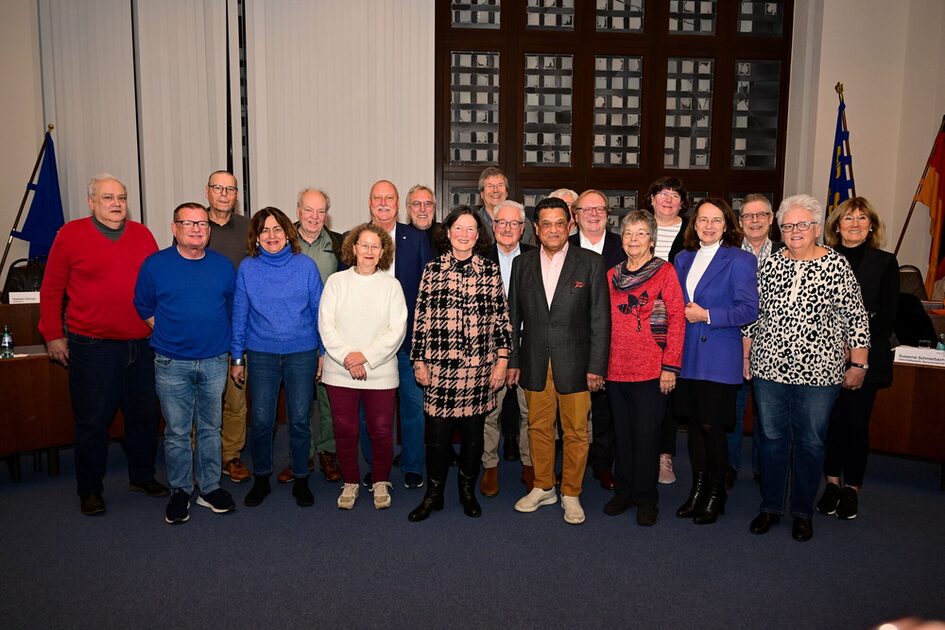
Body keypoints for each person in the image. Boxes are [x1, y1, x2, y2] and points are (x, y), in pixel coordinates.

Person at [39, 173, 167, 515]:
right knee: (93, 421)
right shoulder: (70, 235)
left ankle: (142, 475)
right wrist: (52, 333)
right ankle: (90, 489)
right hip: (92, 347)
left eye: (122, 198)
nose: (116, 204)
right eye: (108, 198)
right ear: (92, 202)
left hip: (141, 345)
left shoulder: (142, 234)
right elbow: (51, 288)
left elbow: (158, 283)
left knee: (144, 416)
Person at [745, 194, 870, 542]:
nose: (795, 231)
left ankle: (801, 512)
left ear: (816, 227)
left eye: (802, 224)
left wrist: (859, 361)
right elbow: (754, 318)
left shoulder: (837, 265)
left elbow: (856, 318)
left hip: (819, 374)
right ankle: (770, 506)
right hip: (769, 369)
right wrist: (746, 356)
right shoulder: (769, 264)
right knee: (771, 440)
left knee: (811, 443)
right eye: (787, 225)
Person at [509, 197, 610, 525]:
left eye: (559, 223)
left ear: (570, 225)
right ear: (536, 229)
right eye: (546, 224)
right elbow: (513, 316)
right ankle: (542, 486)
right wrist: (512, 360)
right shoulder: (522, 265)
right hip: (534, 361)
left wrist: (597, 366)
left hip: (578, 365)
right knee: (537, 427)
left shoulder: (591, 262)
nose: (553, 230)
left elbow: (600, 320)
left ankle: (570, 491)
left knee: (577, 431)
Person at [134, 203, 237, 524]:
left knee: (210, 428)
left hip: (214, 360)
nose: (196, 229)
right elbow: (143, 305)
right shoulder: (155, 265)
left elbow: (231, 309)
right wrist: (169, 331)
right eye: (188, 223)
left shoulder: (222, 266)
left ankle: (209, 487)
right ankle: (180, 490)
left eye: (203, 224)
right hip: (171, 362)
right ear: (174, 227)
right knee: (178, 431)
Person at [408, 206, 512, 522]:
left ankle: (467, 492)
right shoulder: (432, 269)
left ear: (478, 235)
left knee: (473, 436)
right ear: (449, 232)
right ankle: (434, 494)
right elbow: (421, 318)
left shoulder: (490, 271)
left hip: (479, 367)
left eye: (470, 229)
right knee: (437, 437)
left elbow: (501, 319)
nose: (464, 234)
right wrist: (418, 360)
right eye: (458, 228)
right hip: (439, 368)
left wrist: (502, 361)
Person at [230, 207, 323, 508]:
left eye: (277, 229)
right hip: (262, 353)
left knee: (298, 420)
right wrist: (237, 358)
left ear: (288, 233)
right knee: (261, 420)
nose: (272, 236)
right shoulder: (247, 268)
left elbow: (319, 312)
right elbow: (240, 313)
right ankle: (261, 479)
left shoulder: (305, 266)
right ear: (256, 238)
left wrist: (322, 353)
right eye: (264, 231)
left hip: (301, 351)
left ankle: (300, 478)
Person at [673, 198, 759, 525]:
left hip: (719, 355)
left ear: (727, 225)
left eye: (716, 220)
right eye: (703, 220)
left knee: (711, 426)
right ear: (693, 225)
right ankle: (696, 490)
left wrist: (707, 314)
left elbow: (749, 309)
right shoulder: (683, 258)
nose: (709, 226)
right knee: (694, 425)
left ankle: (715, 492)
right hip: (688, 354)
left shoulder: (740, 260)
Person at [817, 196, 899, 520]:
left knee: (855, 424)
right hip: (824, 357)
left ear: (871, 226)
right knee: (831, 424)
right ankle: (832, 484)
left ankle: (852, 488)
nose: (855, 224)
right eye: (848, 219)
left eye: (862, 219)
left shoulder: (885, 262)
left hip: (866, 359)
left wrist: (854, 344)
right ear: (837, 226)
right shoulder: (823, 259)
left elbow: (888, 315)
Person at [603, 210, 685, 526]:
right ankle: (623, 492)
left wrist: (670, 367)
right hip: (615, 369)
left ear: (651, 239)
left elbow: (677, 319)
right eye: (628, 233)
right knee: (622, 435)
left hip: (652, 371)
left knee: (646, 436)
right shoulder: (611, 275)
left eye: (640, 233)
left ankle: (646, 498)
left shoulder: (664, 273)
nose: (633, 239)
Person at [319, 223, 407, 510]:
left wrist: (365, 357)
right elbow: (326, 326)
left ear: (383, 251)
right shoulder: (336, 282)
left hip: (379, 372)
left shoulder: (391, 285)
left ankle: (381, 480)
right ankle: (351, 482)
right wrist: (348, 357)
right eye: (364, 245)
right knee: (344, 429)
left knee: (381, 430)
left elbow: (397, 330)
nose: (369, 251)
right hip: (339, 370)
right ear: (353, 248)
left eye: (375, 246)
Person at [360, 180, 432, 490]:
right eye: (378, 198)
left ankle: (413, 465)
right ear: (370, 202)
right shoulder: (358, 238)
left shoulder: (415, 238)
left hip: (408, 341)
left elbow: (428, 292)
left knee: (413, 407)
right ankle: (377, 466)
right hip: (368, 343)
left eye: (390, 198)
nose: (384, 203)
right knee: (372, 413)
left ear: (398, 202)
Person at [274, 187, 343, 485]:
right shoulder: (282, 244)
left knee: (330, 399)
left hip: (332, 334)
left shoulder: (340, 244)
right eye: (308, 210)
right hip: (296, 334)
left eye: (320, 211)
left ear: (327, 214)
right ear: (298, 211)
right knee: (298, 402)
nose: (315, 217)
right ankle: (301, 456)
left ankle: (328, 452)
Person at [726, 194, 784, 488]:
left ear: (772, 219)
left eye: (762, 215)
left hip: (773, 349)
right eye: (748, 216)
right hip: (734, 345)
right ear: (740, 222)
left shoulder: (788, 253)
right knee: (732, 413)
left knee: (767, 417)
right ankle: (730, 466)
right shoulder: (728, 254)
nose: (755, 220)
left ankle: (764, 469)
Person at [569, 189, 624, 491]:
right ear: (575, 215)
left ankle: (603, 465)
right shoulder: (563, 245)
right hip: (572, 342)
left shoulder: (622, 246)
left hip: (613, 340)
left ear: (607, 213)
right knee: (571, 408)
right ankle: (569, 465)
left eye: (599, 208)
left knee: (605, 408)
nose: (593, 214)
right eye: (586, 209)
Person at [481, 200, 535, 497]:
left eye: (513, 223)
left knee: (531, 411)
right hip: (489, 346)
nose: (507, 228)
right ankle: (489, 465)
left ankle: (530, 465)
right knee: (490, 409)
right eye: (501, 223)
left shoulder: (536, 257)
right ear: (493, 226)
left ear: (523, 228)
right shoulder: (480, 258)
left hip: (530, 344)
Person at [204, 170, 252, 483]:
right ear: (207, 191)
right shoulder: (194, 224)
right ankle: (203, 456)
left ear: (237, 195)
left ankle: (230, 455)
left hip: (240, 328)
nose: (224, 194)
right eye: (218, 188)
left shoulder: (248, 228)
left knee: (236, 400)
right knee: (206, 399)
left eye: (230, 189)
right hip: (204, 328)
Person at [644, 176, 690, 484]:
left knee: (668, 390)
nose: (668, 199)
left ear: (682, 202)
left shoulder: (691, 232)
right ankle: (640, 451)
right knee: (642, 390)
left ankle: (664, 455)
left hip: (674, 317)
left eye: (674, 194)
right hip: (640, 319)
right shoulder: (638, 227)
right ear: (651, 199)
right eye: (662, 193)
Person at [474, 166, 536, 246]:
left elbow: (530, 254)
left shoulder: (521, 222)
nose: (495, 190)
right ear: (481, 194)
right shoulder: (473, 222)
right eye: (490, 186)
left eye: (500, 185)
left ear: (507, 192)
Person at [406, 184, 445, 254]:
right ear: (408, 208)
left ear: (434, 208)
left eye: (428, 204)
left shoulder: (446, 235)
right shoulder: (399, 237)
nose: (422, 209)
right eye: (416, 204)